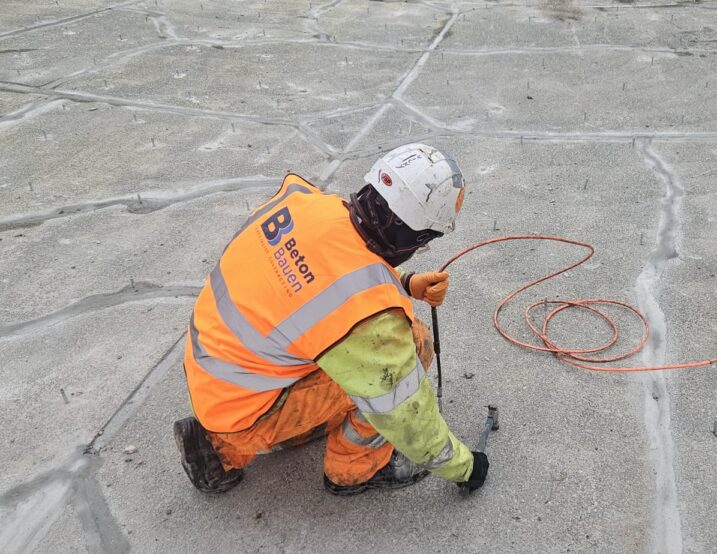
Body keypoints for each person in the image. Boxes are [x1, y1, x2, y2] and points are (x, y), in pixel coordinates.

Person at [172, 143, 489, 495]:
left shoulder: (305, 202)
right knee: (413, 346)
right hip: (248, 409)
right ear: (417, 237)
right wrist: (465, 467)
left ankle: (213, 449)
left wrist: (403, 284)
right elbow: (406, 415)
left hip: (214, 373)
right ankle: (353, 469)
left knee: (347, 356)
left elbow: (307, 288)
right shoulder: (372, 323)